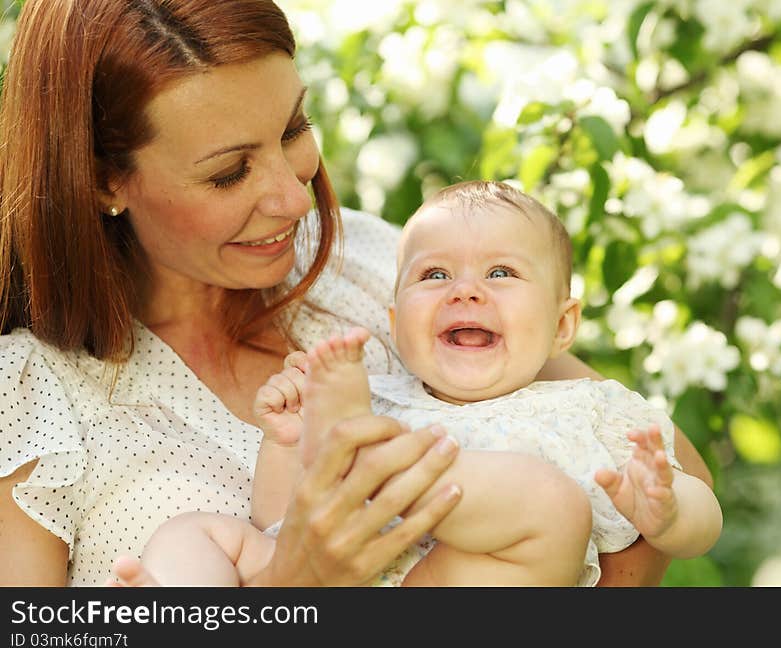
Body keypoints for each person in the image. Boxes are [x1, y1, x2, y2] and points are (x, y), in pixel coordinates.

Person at [0, 0, 712, 587]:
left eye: (293, 129)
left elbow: (659, 472)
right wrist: (297, 586)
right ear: (101, 179)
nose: (291, 197)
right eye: (228, 174)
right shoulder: (34, 399)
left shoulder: (371, 263)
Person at [110, 181, 721, 587]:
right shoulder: (381, 393)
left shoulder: (590, 408)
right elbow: (283, 518)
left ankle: (382, 471)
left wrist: (666, 514)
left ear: (563, 325)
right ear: (397, 324)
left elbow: (703, 520)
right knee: (195, 532)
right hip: (329, 586)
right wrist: (290, 443)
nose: (466, 290)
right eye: (434, 274)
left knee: (550, 502)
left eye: (501, 272)